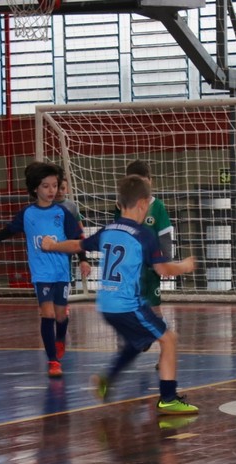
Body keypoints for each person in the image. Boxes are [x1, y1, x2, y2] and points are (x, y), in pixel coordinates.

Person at [42, 174, 198, 414]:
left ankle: (106, 380)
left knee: (137, 342)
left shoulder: (108, 230)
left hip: (106, 305)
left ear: (119, 203)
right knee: (168, 340)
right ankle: (168, 398)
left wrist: (52, 245)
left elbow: (76, 245)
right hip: (128, 305)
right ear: (143, 204)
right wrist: (185, 266)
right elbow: (163, 270)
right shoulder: (143, 235)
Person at [0, 161, 84, 379]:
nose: (51, 190)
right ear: (35, 188)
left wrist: (83, 260)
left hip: (61, 272)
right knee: (47, 314)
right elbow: (6, 232)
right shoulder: (27, 214)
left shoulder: (62, 213)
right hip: (41, 273)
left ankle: (60, 338)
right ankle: (53, 361)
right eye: (46, 186)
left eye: (54, 185)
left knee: (60, 315)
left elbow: (76, 238)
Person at [122, 160, 174, 317]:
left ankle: (157, 330)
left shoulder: (157, 206)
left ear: (150, 181)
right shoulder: (123, 206)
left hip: (151, 268)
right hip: (129, 267)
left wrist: (167, 261)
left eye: (144, 182)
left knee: (154, 307)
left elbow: (164, 235)